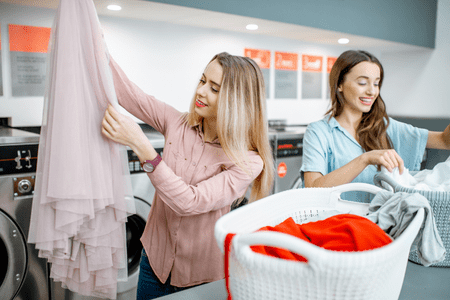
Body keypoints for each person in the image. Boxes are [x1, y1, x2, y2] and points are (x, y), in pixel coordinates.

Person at [101, 52, 274, 299]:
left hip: (201, 278)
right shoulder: (176, 122)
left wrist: (141, 145)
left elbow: (189, 202)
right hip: (153, 264)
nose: (201, 92)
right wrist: (99, 47)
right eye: (203, 81)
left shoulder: (248, 161)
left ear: (236, 101)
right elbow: (127, 93)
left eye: (214, 89)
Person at [301, 50, 450, 202]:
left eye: (376, 83)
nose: (372, 91)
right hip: (337, 222)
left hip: (379, 223)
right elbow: (313, 189)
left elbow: (444, 141)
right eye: (362, 83)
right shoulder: (319, 132)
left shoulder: (385, 127)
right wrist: (364, 159)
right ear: (340, 84)